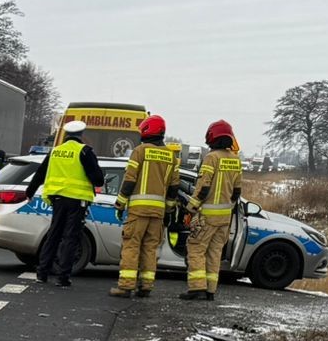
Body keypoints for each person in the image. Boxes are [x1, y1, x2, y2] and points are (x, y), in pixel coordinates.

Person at [24, 120, 104, 287]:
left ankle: (42, 273)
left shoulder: (55, 151)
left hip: (57, 199)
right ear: (81, 135)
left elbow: (40, 174)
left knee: (53, 235)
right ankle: (63, 277)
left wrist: (29, 193)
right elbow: (98, 179)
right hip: (77, 201)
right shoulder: (85, 151)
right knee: (70, 237)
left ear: (66, 135)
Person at [112, 115, 179, 298]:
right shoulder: (172, 157)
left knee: (131, 246)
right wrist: (169, 210)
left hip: (138, 211)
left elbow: (129, 180)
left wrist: (120, 203)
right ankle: (146, 286)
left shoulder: (139, 151)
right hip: (157, 213)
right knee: (150, 249)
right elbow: (174, 187)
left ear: (147, 130)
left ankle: (125, 286)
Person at [183, 119, 244, 301]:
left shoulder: (211, 158)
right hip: (225, 218)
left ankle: (196, 288)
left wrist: (191, 208)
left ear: (212, 136)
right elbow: (237, 192)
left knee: (195, 248)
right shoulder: (235, 160)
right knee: (215, 252)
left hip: (207, 215)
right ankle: (210, 290)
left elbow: (203, 187)